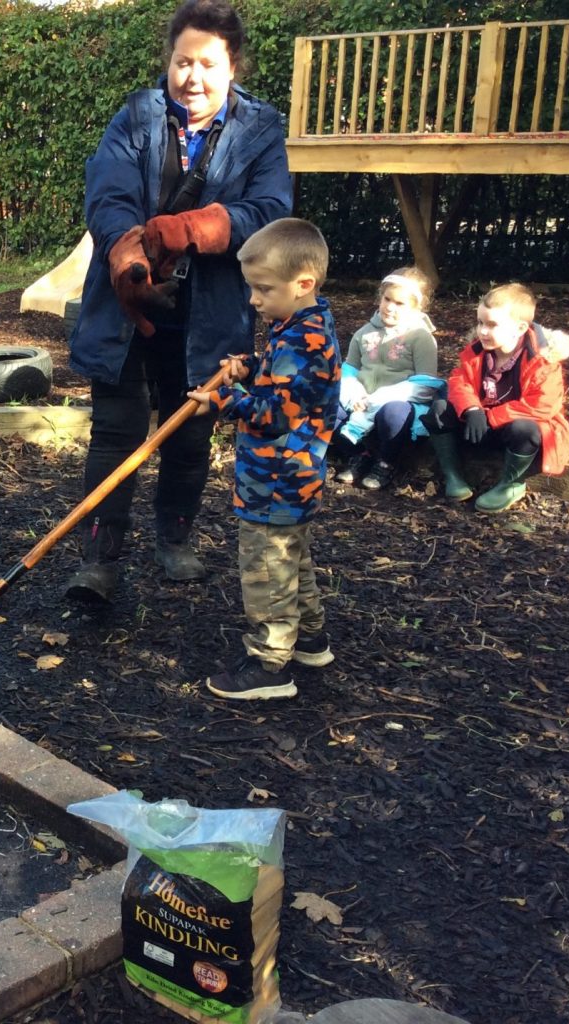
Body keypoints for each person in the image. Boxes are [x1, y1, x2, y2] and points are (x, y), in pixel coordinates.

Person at [64, 0, 292, 605]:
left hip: (209, 310)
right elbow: (107, 193)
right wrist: (126, 257)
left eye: (208, 64)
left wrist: (192, 229)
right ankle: (99, 558)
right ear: (169, 60)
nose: (193, 77)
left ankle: (175, 539)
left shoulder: (260, 130)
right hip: (129, 305)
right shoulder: (136, 116)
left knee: (189, 434)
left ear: (233, 66)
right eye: (183, 61)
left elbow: (269, 212)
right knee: (115, 432)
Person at [186, 219, 340, 700]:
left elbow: (275, 414)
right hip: (293, 479)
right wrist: (250, 368)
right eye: (252, 288)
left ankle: (270, 665)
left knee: (268, 569)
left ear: (303, 284)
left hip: (276, 479)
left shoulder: (299, 341)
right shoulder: (302, 326)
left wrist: (223, 400)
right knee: (292, 560)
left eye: (263, 289)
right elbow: (285, 383)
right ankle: (310, 639)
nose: (254, 299)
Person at [427, 283, 569, 513]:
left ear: (520, 328)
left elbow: (542, 405)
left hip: (514, 434)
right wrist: (472, 409)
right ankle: (453, 476)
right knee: (439, 409)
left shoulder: (543, 360)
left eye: (492, 325)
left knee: (525, 429)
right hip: (480, 425)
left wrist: (491, 416)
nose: (483, 331)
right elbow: (459, 380)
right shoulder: (477, 351)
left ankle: (511, 484)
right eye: (480, 323)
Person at [334, 267, 444, 490]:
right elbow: (349, 371)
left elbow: (426, 384)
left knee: (394, 413)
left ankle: (386, 462)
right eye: (387, 299)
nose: (390, 307)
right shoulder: (364, 333)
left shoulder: (420, 337)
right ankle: (358, 454)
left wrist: (382, 397)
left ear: (417, 306)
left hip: (397, 402)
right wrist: (354, 395)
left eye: (400, 303)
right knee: (326, 405)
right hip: (361, 401)